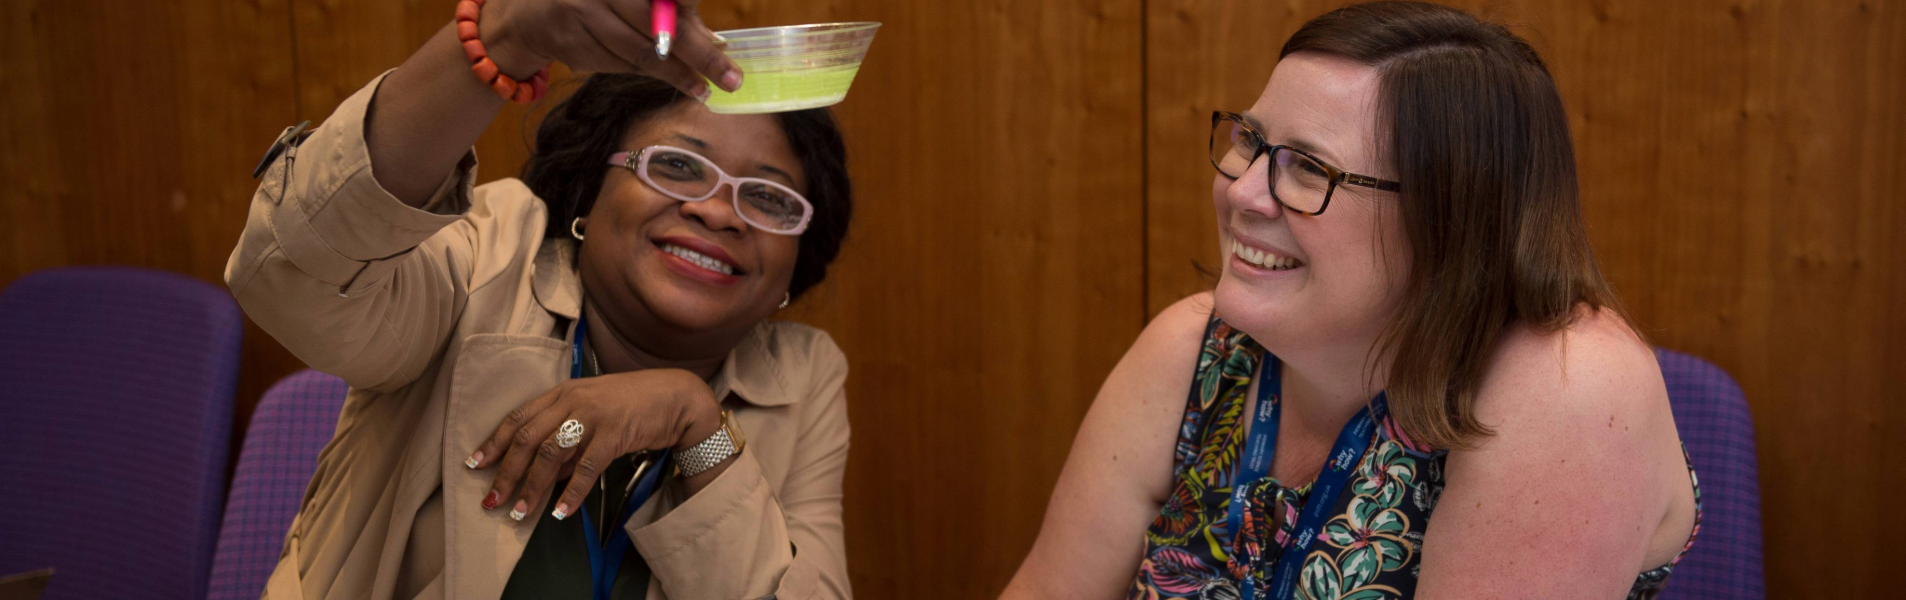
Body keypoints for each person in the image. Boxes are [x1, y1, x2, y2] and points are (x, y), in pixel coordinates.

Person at [1001, 2, 1700, 599]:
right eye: (1252, 140)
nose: (1241, 191)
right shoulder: (1195, 352)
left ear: (1448, 218)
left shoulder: (1568, 383)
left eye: (1308, 167)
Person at [225, 0, 856, 597]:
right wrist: (504, 40)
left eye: (770, 200)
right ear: (589, 192)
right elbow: (293, 278)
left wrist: (696, 421)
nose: (719, 212)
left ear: (793, 269)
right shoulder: (489, 260)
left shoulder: (804, 378)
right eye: (678, 166)